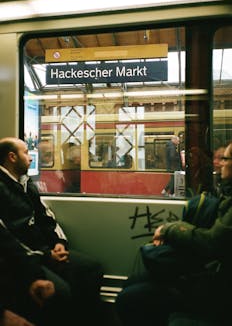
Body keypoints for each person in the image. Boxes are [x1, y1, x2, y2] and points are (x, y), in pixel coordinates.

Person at [116, 142, 232, 326]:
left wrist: (170, 229)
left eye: (225, 158)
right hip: (207, 272)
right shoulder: (225, 193)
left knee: (130, 299)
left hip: (214, 283)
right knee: (134, 283)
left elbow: (212, 242)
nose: (220, 163)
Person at [0, 137, 104, 326]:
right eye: (26, 152)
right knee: (61, 290)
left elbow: (45, 217)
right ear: (12, 157)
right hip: (27, 257)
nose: (31, 158)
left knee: (92, 269)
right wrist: (45, 256)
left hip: (45, 250)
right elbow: (9, 238)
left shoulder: (25, 183)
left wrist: (59, 243)